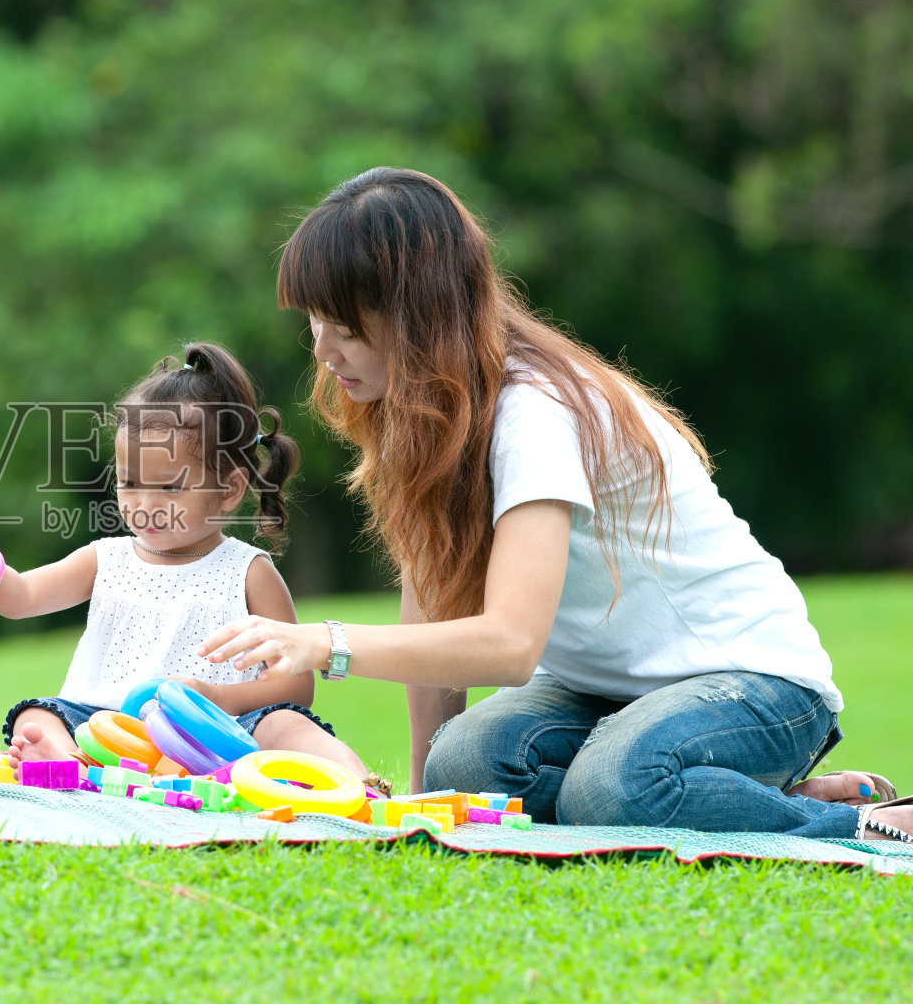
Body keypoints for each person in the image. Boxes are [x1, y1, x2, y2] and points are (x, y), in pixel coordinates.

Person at [199, 167, 912, 844]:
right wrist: (423, 799)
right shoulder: (421, 415)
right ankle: (735, 795)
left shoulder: (533, 414)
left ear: (420, 316)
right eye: (315, 321)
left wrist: (328, 643)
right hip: (600, 695)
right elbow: (432, 600)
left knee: (614, 791)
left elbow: (510, 646)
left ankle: (872, 824)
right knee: (461, 767)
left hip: (752, 682)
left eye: (346, 327)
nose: (323, 350)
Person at [0, 342, 369, 780]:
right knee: (37, 716)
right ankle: (69, 765)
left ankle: (358, 782)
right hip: (104, 727)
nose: (144, 504)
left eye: (170, 488)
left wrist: (218, 697)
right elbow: (22, 597)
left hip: (214, 733)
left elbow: (296, 685)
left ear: (229, 489)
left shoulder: (248, 572)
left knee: (286, 723)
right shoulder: (106, 559)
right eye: (130, 483)